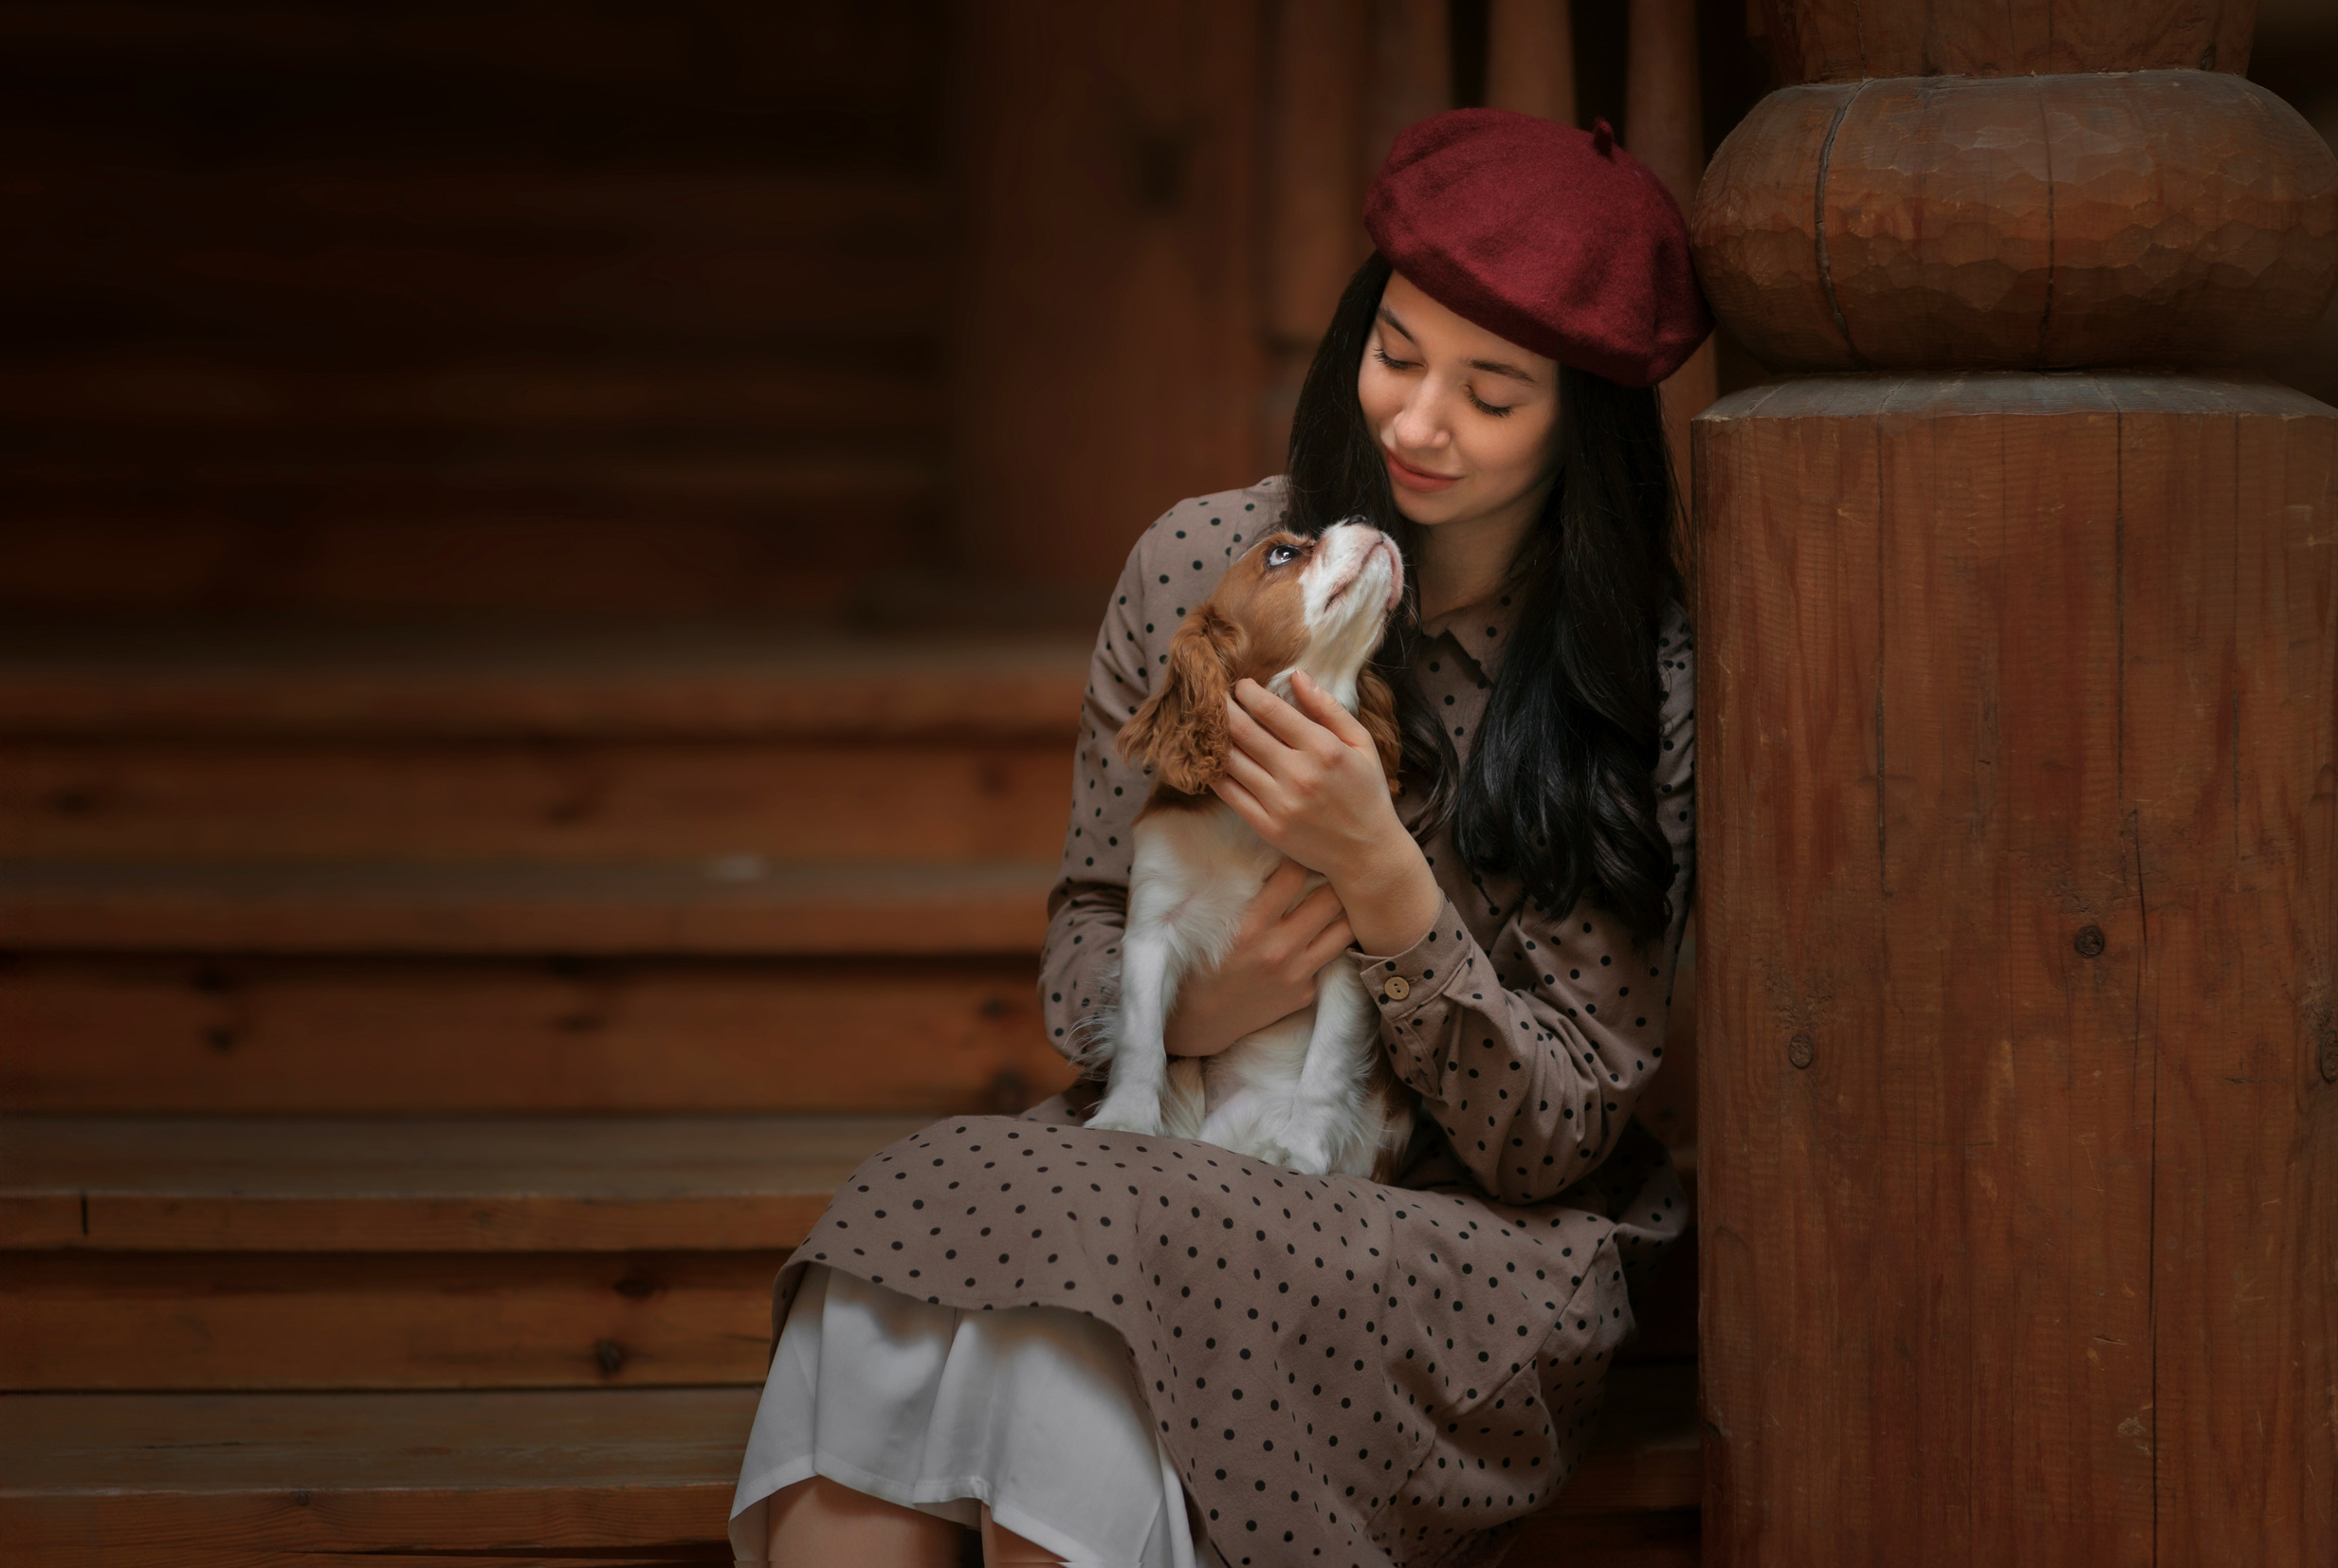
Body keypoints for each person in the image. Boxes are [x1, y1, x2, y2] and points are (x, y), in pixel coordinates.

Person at [729, 106, 1711, 1568]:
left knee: (1090, 1296)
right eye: (1396, 353)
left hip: (1461, 1229)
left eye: (1494, 393)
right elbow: (1085, 941)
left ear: (1586, 422)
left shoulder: (1641, 680)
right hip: (1184, 1117)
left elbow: (1557, 1134)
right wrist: (1214, 991)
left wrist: (1385, 878)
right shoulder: (1206, 566)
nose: (1418, 424)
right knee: (906, 1220)